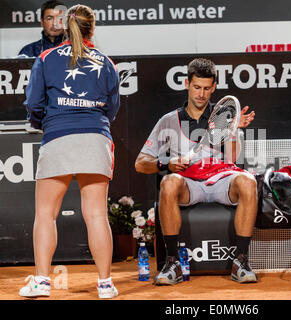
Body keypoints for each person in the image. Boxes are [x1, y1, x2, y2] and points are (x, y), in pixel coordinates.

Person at [19, 4, 120, 299]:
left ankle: (41, 282)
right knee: (97, 215)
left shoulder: (46, 58)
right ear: (93, 28)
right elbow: (112, 109)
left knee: (45, 215)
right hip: (95, 139)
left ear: (65, 26)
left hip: (58, 138)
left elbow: (33, 104)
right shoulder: (107, 63)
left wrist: (45, 123)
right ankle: (105, 284)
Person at [135, 58, 258, 285]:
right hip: (189, 184)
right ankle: (172, 264)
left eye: (207, 88)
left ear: (213, 88)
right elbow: (141, 163)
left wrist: (233, 130)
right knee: (169, 182)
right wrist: (167, 163)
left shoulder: (224, 118)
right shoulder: (169, 121)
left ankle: (241, 261)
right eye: (197, 87)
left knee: (248, 181)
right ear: (187, 84)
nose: (201, 94)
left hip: (221, 180)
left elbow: (233, 159)